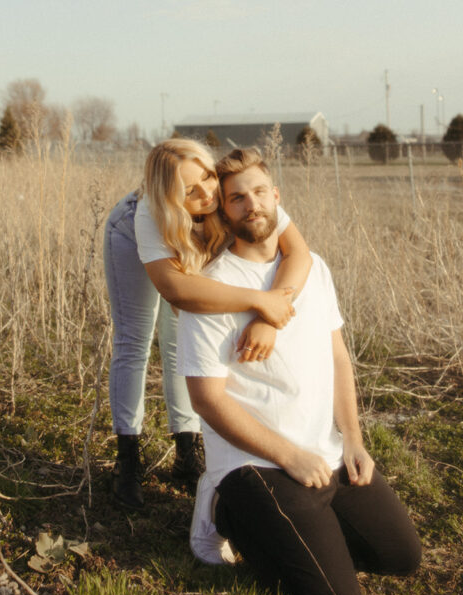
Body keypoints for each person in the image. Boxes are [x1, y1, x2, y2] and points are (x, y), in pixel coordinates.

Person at [178, 147, 421, 595]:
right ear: (223, 211)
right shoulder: (213, 288)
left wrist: (352, 439)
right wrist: (287, 455)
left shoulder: (315, 269)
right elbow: (206, 400)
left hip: (324, 455)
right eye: (237, 199)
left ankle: (301, 531)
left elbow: (337, 357)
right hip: (257, 466)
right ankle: (225, 511)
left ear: (277, 196)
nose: (252, 205)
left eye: (259, 192)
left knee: (401, 557)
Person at [103, 138, 311, 510]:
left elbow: (298, 251)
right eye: (190, 190)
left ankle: (186, 450)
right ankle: (128, 461)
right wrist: (257, 300)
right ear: (169, 196)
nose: (208, 193)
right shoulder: (150, 213)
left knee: (177, 340)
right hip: (131, 236)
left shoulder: (238, 190)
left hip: (189, 243)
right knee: (135, 340)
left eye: (208, 177)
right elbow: (176, 289)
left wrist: (271, 314)